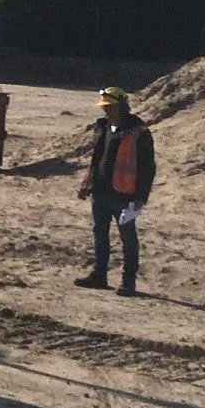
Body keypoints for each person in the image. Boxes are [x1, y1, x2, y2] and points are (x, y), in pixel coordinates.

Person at [75, 85, 156, 296]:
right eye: (105, 107)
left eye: (110, 106)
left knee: (128, 239)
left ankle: (128, 282)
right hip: (100, 191)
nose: (106, 110)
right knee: (99, 234)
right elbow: (96, 159)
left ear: (121, 106)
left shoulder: (139, 132)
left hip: (125, 194)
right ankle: (99, 276)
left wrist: (140, 197)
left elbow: (148, 167)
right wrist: (86, 183)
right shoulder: (102, 127)